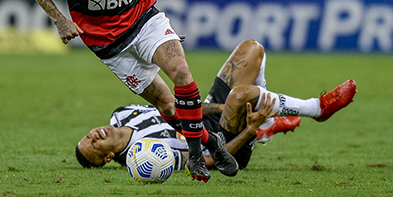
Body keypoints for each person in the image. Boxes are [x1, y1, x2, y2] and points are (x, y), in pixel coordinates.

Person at [25, 0, 236, 182]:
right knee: (166, 103)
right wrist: (59, 19)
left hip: (143, 20)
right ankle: (211, 141)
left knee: (181, 72)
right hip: (111, 47)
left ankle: (197, 160)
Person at [75, 39, 357, 174]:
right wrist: (248, 130)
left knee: (252, 49)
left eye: (87, 136)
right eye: (94, 146)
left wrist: (220, 108)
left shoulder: (122, 113)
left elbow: (178, 109)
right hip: (223, 144)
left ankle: (268, 124)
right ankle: (317, 109)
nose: (93, 135)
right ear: (108, 157)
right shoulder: (145, 156)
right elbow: (209, 161)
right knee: (241, 96)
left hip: (207, 115)